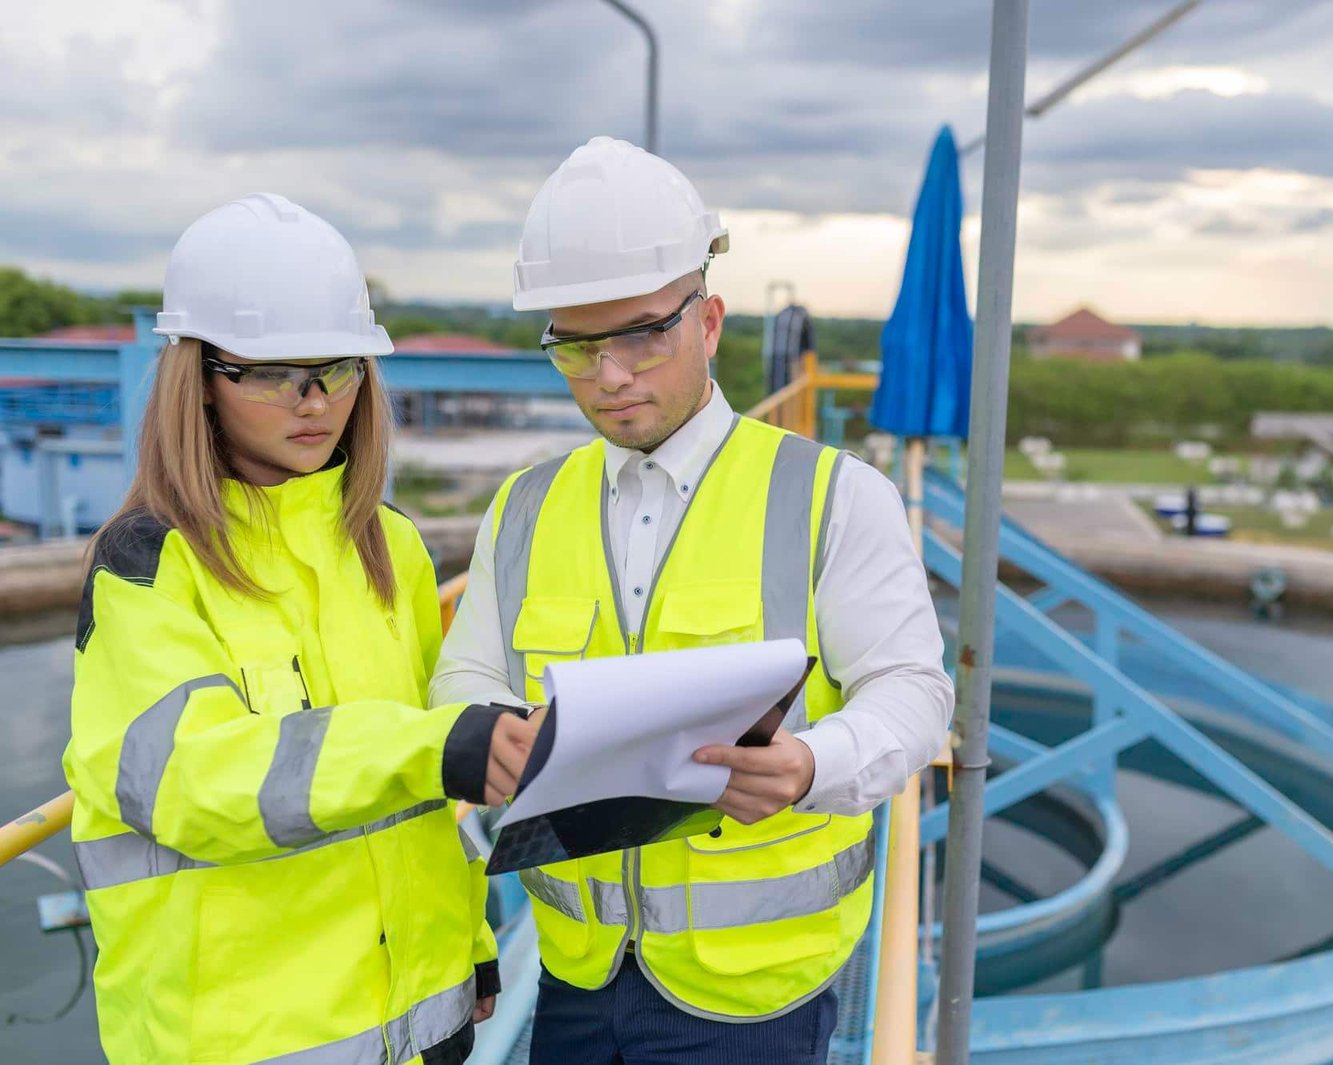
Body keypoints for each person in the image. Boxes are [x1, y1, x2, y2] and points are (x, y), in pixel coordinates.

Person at [430, 137, 954, 1064]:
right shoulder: (522, 507)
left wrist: (811, 763)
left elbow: (913, 692)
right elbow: (463, 675)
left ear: (708, 320)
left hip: (755, 1001)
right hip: (577, 974)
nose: (611, 375)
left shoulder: (833, 495)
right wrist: (494, 730)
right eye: (578, 347)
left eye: (642, 335)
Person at [63, 193, 547, 1065]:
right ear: (199, 380)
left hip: (424, 1026)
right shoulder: (149, 564)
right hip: (252, 1042)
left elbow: (426, 808)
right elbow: (190, 777)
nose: (316, 400)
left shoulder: (387, 542)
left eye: (341, 367)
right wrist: (434, 747)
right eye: (276, 372)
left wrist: (472, 939)